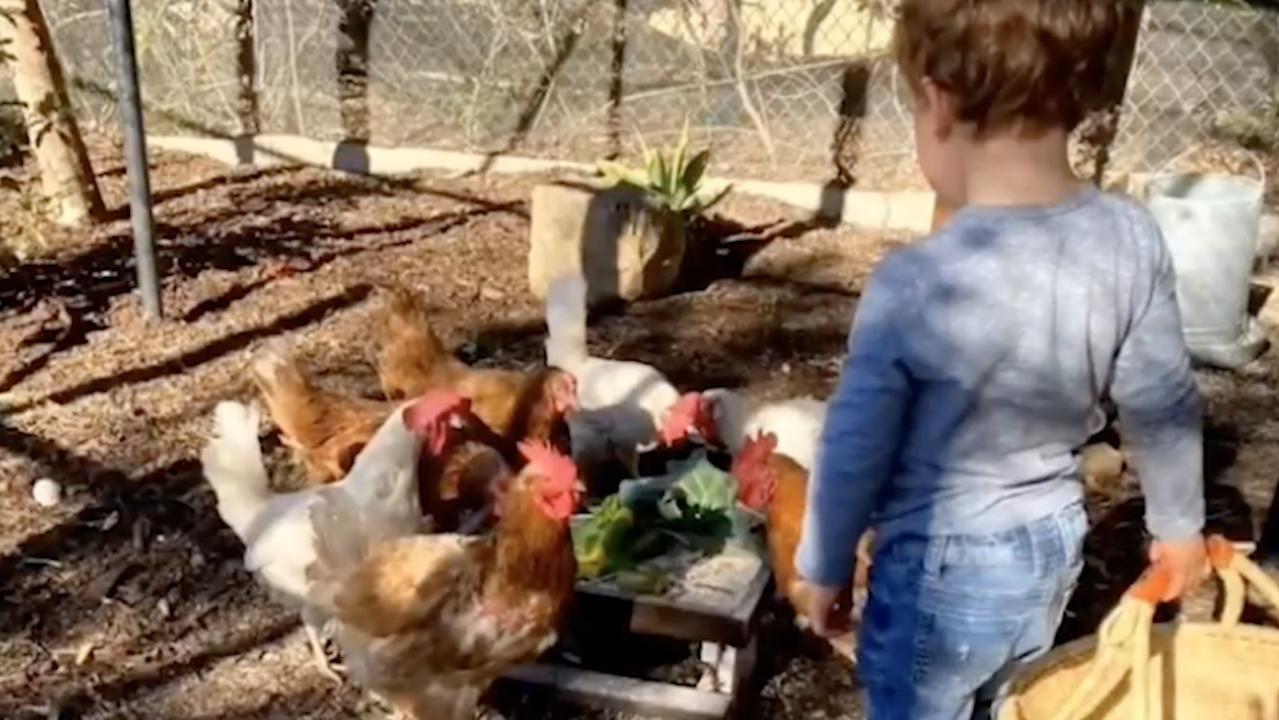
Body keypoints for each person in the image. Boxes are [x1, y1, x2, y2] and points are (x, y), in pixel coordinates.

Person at [793, 1, 1209, 718]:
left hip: (937, 568)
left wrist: (822, 566)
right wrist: (1177, 526)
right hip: (1050, 549)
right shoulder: (1129, 238)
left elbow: (854, 443)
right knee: (1010, 701)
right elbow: (1162, 402)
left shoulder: (917, 283)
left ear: (939, 102)